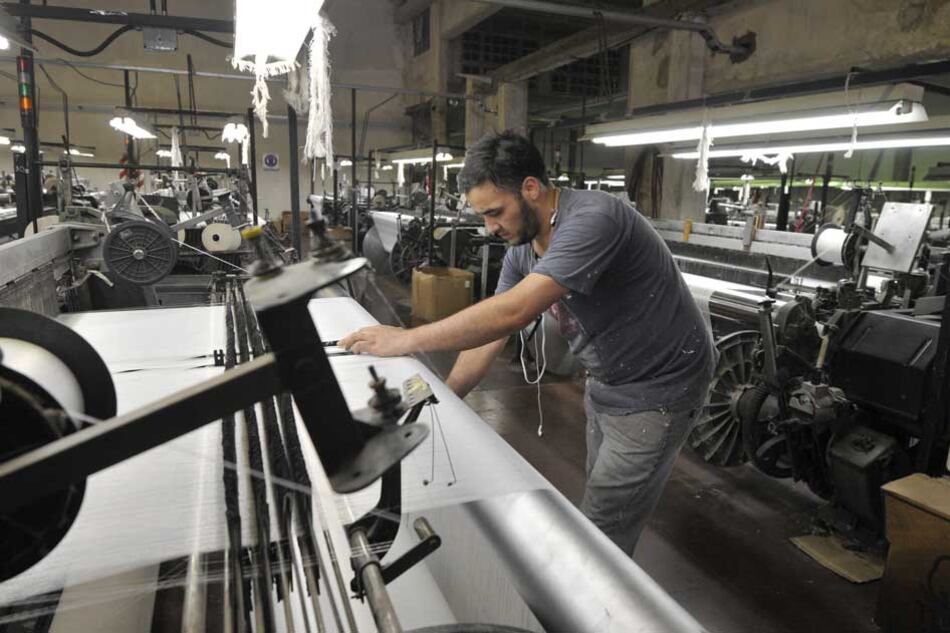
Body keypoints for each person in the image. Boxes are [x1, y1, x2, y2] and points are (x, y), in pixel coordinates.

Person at [340, 131, 715, 555]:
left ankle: (597, 606)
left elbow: (512, 312)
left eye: (496, 212)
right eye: (483, 216)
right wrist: (441, 401)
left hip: (660, 385)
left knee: (605, 522)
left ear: (531, 188)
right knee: (602, 491)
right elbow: (492, 332)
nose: (490, 227)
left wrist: (404, 340)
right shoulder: (524, 249)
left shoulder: (594, 220)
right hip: (609, 380)